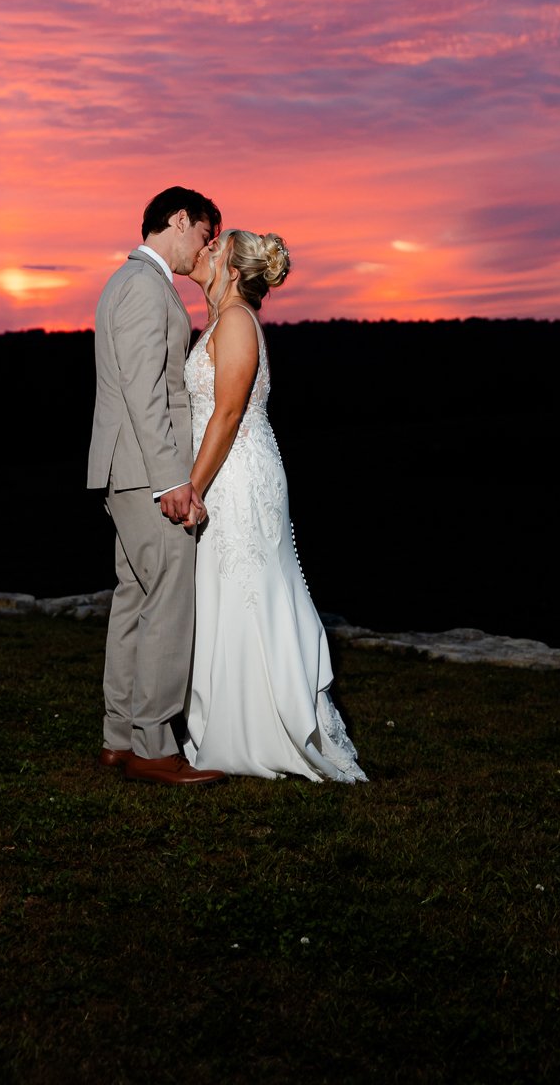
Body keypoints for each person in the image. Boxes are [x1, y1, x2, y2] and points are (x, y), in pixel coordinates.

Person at [182, 229, 366, 782]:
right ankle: (226, 721)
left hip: (236, 475)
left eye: (215, 249)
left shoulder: (237, 321)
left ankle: (261, 729)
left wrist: (192, 486)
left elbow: (229, 413)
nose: (204, 251)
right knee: (225, 590)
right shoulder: (224, 319)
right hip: (225, 467)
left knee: (247, 590)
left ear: (232, 272)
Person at [87, 186, 227, 786]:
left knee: (133, 601)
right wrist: (172, 479)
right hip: (148, 474)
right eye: (204, 233)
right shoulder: (146, 288)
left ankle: (118, 738)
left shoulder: (124, 282)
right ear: (178, 219)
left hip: (125, 470)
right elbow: (148, 393)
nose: (206, 247)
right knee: (169, 599)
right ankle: (152, 745)